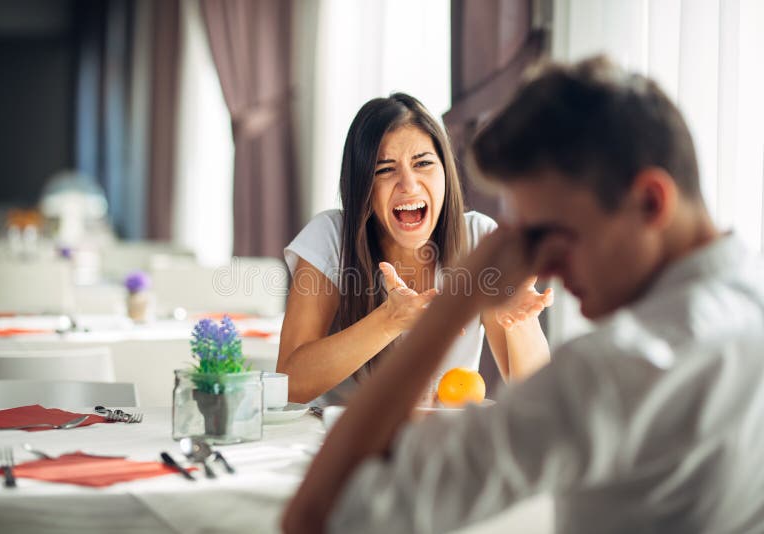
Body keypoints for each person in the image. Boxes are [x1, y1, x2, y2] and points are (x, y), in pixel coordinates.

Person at [282, 56, 764, 534]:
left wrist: (450, 312)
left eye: (555, 234)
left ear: (650, 202)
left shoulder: (612, 369)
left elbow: (318, 516)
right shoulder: (748, 303)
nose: (545, 266)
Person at [277, 93, 553, 406]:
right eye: (385, 170)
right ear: (363, 186)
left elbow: (535, 396)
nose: (408, 184)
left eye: (422, 163)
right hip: (348, 445)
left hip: (442, 442)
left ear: (446, 172)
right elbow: (289, 383)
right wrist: (390, 319)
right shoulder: (331, 237)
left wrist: (519, 322)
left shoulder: (479, 238)